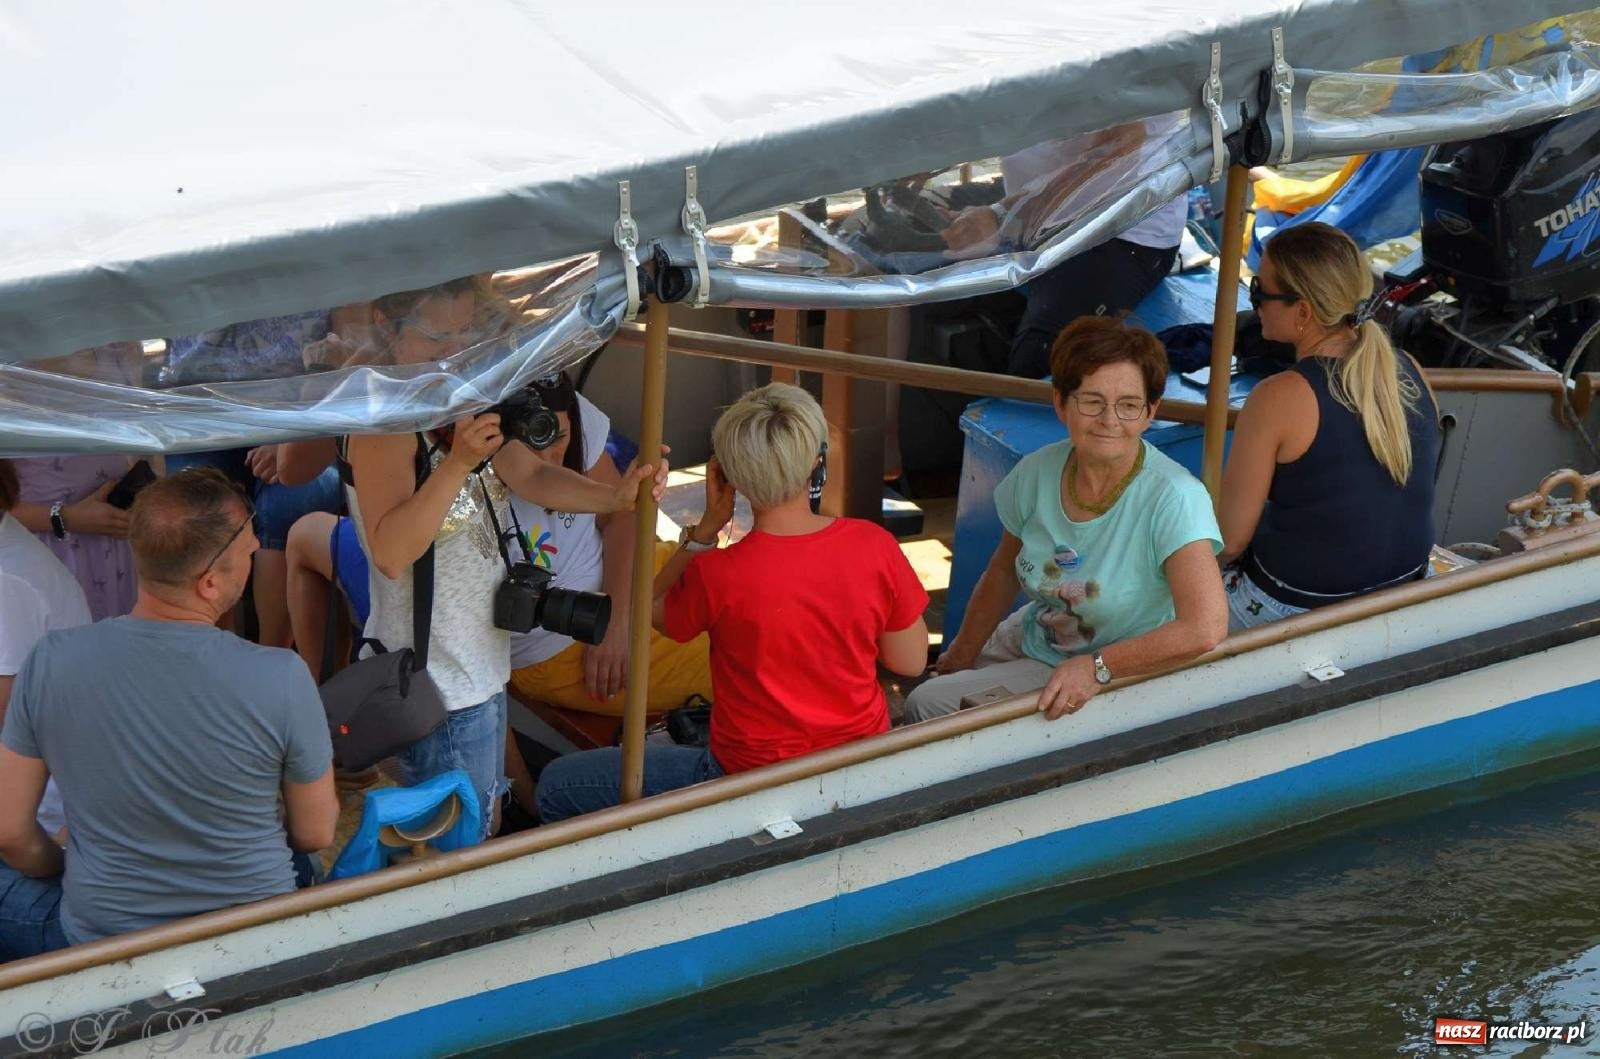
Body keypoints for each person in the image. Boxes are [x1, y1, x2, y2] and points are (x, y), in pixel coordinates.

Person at [344, 276, 666, 840]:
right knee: (463, 841)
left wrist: (614, 497)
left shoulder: (462, 399)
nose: (454, 351)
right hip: (436, 681)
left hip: (483, 665)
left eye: (465, 332)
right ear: (387, 328)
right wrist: (456, 463)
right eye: (436, 338)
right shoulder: (386, 425)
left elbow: (532, 474)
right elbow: (392, 552)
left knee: (484, 821)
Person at [537, 383, 930, 823]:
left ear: (730, 477)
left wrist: (706, 528)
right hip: (858, 767)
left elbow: (648, 605)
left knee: (556, 786)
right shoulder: (873, 545)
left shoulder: (716, 573)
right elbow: (911, 661)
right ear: (816, 464)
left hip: (746, 779)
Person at [0, 469, 338, 959]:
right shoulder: (283, 674)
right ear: (209, 583)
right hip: (254, 936)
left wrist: (67, 863)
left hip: (104, 939)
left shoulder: (50, 659)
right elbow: (316, 832)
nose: (254, 555)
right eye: (249, 551)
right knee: (303, 866)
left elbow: (11, 832)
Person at [905, 317, 1227, 723]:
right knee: (944, 681)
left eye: (1129, 405)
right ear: (1060, 403)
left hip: (1118, 669)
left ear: (1151, 412)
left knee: (925, 703)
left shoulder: (1175, 498)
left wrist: (1097, 667)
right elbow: (1003, 571)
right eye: (1092, 401)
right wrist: (961, 656)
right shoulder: (1037, 471)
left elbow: (1205, 628)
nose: (1110, 420)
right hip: (1042, 631)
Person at [1218, 222, 1441, 629]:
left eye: (1259, 292)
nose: (1255, 303)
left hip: (1296, 607)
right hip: (1407, 585)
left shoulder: (1278, 396)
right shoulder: (1410, 369)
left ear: (1303, 312)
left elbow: (1230, 541)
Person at [506, 372, 711, 715]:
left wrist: (616, 618)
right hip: (561, 641)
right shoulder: (476, 447)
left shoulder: (563, 403)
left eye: (561, 439)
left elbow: (622, 518)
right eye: (532, 445)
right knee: (739, 660)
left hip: (629, 573)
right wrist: (609, 627)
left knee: (756, 600)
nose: (550, 460)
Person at [939, 116, 1188, 379]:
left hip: (1115, 229)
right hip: (1030, 209)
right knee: (908, 273)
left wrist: (1003, 215)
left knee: (1042, 360)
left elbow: (1120, 148)